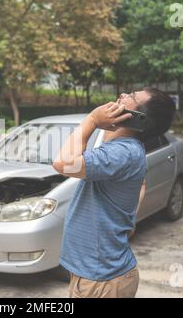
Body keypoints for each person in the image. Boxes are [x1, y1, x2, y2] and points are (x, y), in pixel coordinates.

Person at [53, 87, 176, 298]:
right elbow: (141, 186)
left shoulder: (123, 152)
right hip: (98, 276)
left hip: (101, 281)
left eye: (132, 97)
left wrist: (92, 119)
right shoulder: (124, 148)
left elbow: (64, 163)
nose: (123, 95)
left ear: (140, 118)